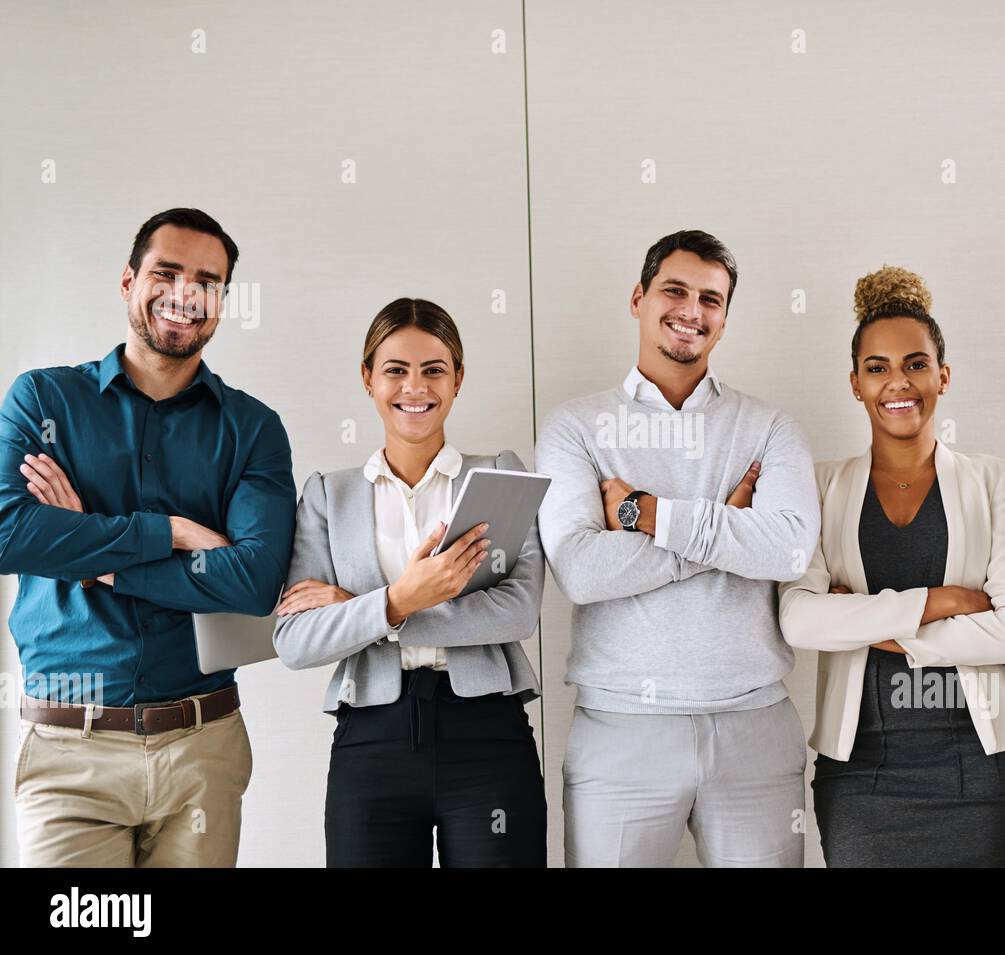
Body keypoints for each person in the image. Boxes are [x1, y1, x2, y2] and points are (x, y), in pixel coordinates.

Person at [1, 207, 296, 866]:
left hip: (202, 747)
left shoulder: (251, 429)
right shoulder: (43, 401)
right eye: (167, 272)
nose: (187, 294)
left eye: (208, 281)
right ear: (129, 282)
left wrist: (86, 550)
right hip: (67, 751)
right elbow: (6, 531)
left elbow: (252, 582)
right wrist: (172, 532)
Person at [535, 229, 821, 867]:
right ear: (638, 298)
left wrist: (643, 514)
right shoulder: (575, 427)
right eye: (675, 290)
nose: (691, 311)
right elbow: (580, 571)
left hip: (756, 728)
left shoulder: (770, 426)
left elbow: (787, 551)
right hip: (620, 728)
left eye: (710, 299)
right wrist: (725, 527)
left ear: (725, 318)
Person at [779, 265, 1005, 867]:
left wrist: (867, 624)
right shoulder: (820, 487)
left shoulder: (989, 480)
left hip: (990, 772)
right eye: (877, 368)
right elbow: (798, 621)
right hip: (861, 777)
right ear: (855, 383)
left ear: (943, 375)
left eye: (915, 364)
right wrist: (941, 601)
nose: (897, 382)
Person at [272, 297, 546, 867]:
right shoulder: (329, 494)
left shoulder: (501, 474)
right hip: (372, 739)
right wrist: (395, 601)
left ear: (458, 378)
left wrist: (372, 612)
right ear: (368, 378)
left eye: (434, 369)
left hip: (487, 734)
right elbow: (295, 642)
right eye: (395, 369)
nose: (414, 387)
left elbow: (518, 612)